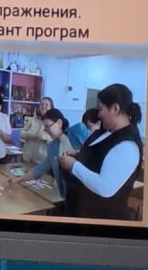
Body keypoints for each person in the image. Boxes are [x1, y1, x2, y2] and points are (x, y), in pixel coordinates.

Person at [60, 84, 143, 221]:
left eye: (100, 109)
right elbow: (99, 155)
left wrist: (73, 165)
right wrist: (78, 154)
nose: (98, 114)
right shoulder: (106, 131)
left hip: (101, 218)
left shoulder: (127, 146)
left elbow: (105, 187)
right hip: (79, 210)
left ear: (115, 109)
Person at [12, 107, 72, 199]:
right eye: (45, 128)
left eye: (48, 126)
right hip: (64, 194)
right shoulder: (52, 146)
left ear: (59, 123)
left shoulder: (74, 139)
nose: (47, 131)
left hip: (80, 194)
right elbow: (40, 169)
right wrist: (19, 179)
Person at [20, 96, 54, 166]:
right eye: (41, 104)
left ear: (51, 108)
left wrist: (45, 137)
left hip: (41, 161)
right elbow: (21, 133)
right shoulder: (33, 119)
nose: (43, 106)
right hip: (27, 157)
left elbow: (56, 139)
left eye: (46, 105)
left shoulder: (53, 122)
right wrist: (29, 135)